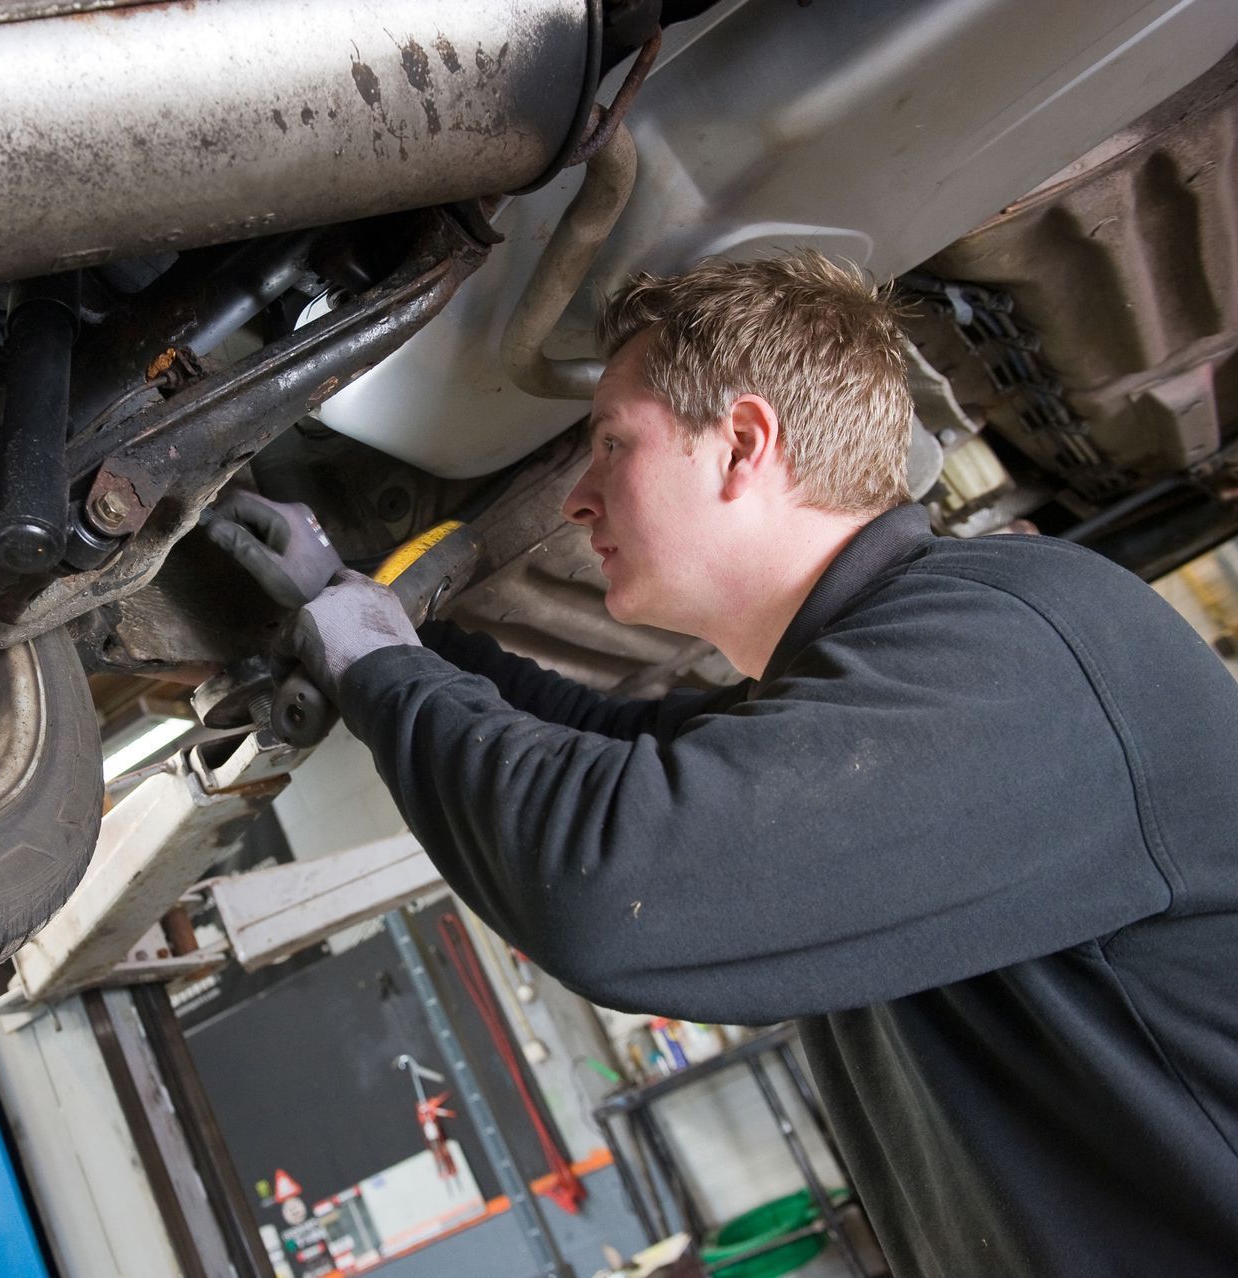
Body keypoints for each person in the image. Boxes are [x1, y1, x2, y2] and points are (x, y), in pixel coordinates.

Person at [203, 252, 1238, 1275]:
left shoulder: (1029, 640)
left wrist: (380, 664)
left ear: (743, 443)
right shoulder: (910, 658)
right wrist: (373, 624)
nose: (578, 499)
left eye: (613, 446)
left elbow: (617, 883)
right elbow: (643, 752)